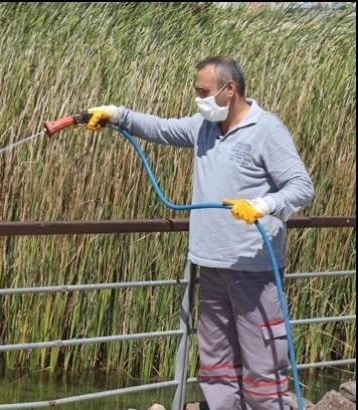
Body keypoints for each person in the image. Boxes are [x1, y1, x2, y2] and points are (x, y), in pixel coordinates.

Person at [85, 55, 315, 410]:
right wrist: (117, 115)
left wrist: (264, 205)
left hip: (254, 272)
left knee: (263, 366)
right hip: (209, 266)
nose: (199, 99)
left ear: (230, 90)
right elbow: (162, 128)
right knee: (216, 365)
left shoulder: (267, 130)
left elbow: (301, 186)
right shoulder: (204, 127)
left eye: (203, 91)